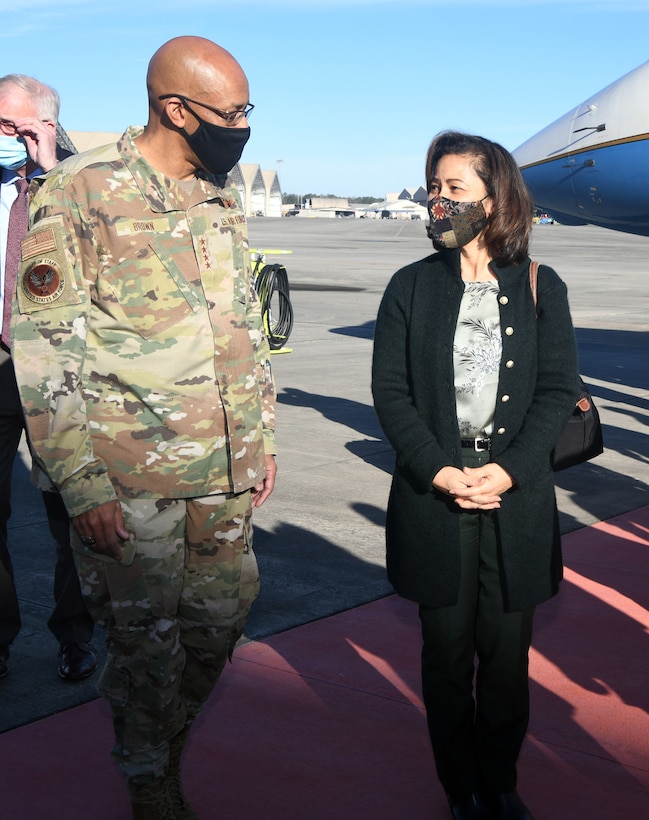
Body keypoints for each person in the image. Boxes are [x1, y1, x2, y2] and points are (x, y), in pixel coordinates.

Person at [11, 36, 276, 819]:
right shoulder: (80, 190)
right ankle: (150, 778)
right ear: (174, 108)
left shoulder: (219, 191)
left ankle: (155, 735)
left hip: (225, 467)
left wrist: (259, 436)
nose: (241, 126)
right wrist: (81, 481)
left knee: (220, 623)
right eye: (231, 113)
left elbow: (244, 320)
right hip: (129, 479)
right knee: (143, 645)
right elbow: (45, 347)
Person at [371, 131, 580, 820]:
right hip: (437, 497)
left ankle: (500, 781)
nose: (438, 201)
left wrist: (510, 473)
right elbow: (391, 396)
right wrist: (439, 470)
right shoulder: (408, 287)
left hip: (511, 500)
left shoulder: (539, 285)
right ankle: (458, 788)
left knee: (504, 659)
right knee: (444, 657)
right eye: (434, 188)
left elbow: (556, 392)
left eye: (454, 189)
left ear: (495, 199)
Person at [0, 73, 96, 682]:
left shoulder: (78, 186)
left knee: (73, 518)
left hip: (57, 371)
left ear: (45, 124)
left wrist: (49, 164)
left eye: (12, 126)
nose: (2, 137)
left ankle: (75, 634)